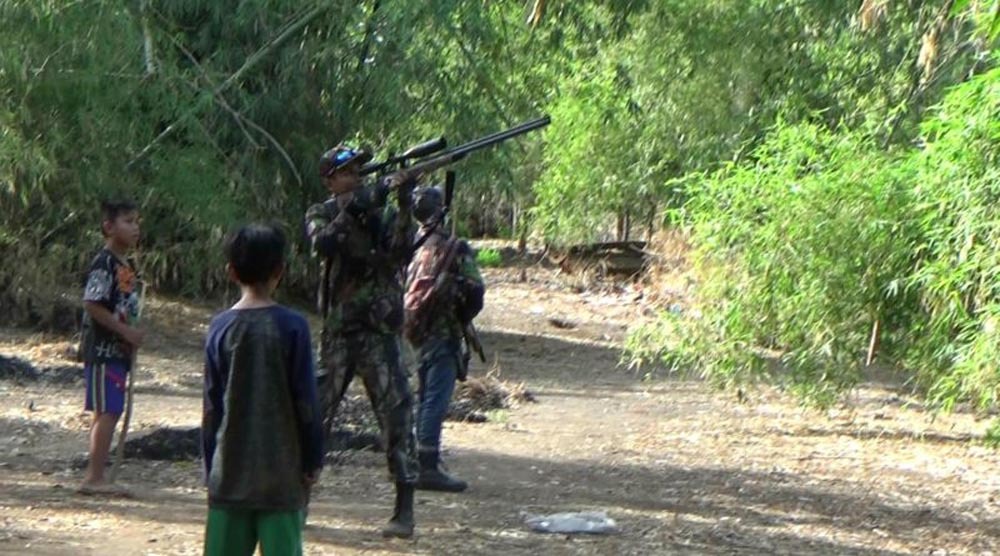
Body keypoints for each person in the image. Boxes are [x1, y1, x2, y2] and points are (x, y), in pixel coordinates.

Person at [304, 145, 420, 538]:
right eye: (347, 171)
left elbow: (402, 252)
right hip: (339, 328)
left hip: (379, 330)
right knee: (316, 413)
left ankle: (404, 508)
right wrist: (355, 208)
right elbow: (324, 243)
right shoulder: (320, 212)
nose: (356, 176)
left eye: (359, 170)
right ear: (330, 180)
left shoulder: (382, 211)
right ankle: (298, 498)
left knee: (396, 413)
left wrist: (403, 205)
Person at [201, 224, 324, 556]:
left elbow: (211, 407)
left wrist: (209, 465)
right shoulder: (293, 326)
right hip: (281, 476)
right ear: (279, 271)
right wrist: (313, 459)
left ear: (230, 271)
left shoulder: (219, 328)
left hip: (229, 475)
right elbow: (307, 402)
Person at [403, 186, 485, 492]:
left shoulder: (414, 246)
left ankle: (420, 459)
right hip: (444, 331)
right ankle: (426, 465)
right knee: (435, 399)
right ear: (442, 211)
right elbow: (476, 291)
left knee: (425, 394)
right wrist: (463, 316)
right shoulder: (454, 247)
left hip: (416, 330)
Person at [77, 199, 143, 495]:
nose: (135, 228)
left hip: (118, 351)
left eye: (136, 222)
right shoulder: (104, 263)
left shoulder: (126, 266)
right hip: (103, 351)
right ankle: (93, 478)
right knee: (109, 411)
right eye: (128, 221)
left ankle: (97, 473)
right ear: (108, 227)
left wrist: (131, 333)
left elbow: (125, 306)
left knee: (107, 410)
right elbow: (93, 304)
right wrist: (124, 331)